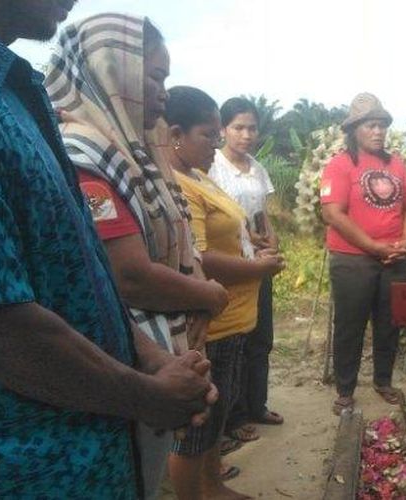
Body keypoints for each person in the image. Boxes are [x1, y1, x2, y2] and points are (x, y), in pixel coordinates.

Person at [0, 2, 216, 497]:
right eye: (153, 77)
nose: (162, 94)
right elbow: (6, 328)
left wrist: (155, 360)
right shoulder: (85, 146)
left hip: (100, 442)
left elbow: (80, 272)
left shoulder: (19, 98)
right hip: (38, 467)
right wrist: (146, 394)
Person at [165, 85, 285, 500]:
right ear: (175, 133)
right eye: (210, 135)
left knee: (218, 414)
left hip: (236, 315)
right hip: (212, 322)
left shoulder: (201, 175)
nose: (217, 144)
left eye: (219, 135)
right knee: (197, 426)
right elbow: (199, 255)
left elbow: (232, 227)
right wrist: (256, 266)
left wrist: (257, 242)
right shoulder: (180, 183)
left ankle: (213, 484)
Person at [320, 92, 406, 416]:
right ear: (355, 130)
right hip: (352, 259)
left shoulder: (396, 165)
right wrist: (373, 246)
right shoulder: (340, 164)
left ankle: (383, 381)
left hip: (393, 257)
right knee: (351, 325)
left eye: (382, 126)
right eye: (370, 126)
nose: (378, 132)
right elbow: (333, 214)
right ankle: (345, 390)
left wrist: (405, 240)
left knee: (390, 323)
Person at [209, 97, 283, 450]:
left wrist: (272, 241)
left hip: (260, 262)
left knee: (260, 338)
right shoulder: (213, 167)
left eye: (252, 127)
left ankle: (258, 406)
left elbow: (263, 213)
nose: (247, 135)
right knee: (233, 343)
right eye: (238, 127)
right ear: (223, 129)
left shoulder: (256, 167)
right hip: (230, 266)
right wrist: (248, 239)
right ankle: (234, 417)